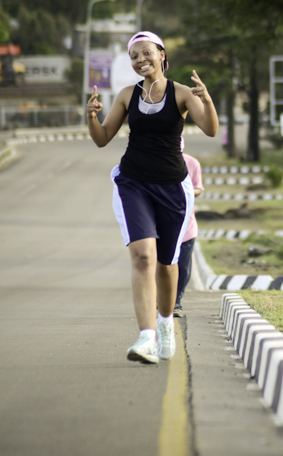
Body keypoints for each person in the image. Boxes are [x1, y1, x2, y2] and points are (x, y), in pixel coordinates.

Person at [86, 31, 218, 364]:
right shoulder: (127, 95)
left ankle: (164, 324)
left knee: (167, 263)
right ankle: (146, 337)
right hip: (133, 183)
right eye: (134, 56)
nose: (140, 59)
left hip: (173, 187)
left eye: (146, 52)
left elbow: (210, 128)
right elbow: (102, 138)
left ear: (161, 54)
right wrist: (91, 117)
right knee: (144, 257)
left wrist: (207, 99)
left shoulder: (181, 93)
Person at [173, 137, 203, 318]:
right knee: (164, 265)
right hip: (161, 226)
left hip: (187, 226)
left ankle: (176, 302)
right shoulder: (156, 163)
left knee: (183, 267)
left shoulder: (192, 163)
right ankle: (164, 299)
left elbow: (198, 188)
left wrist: (187, 190)